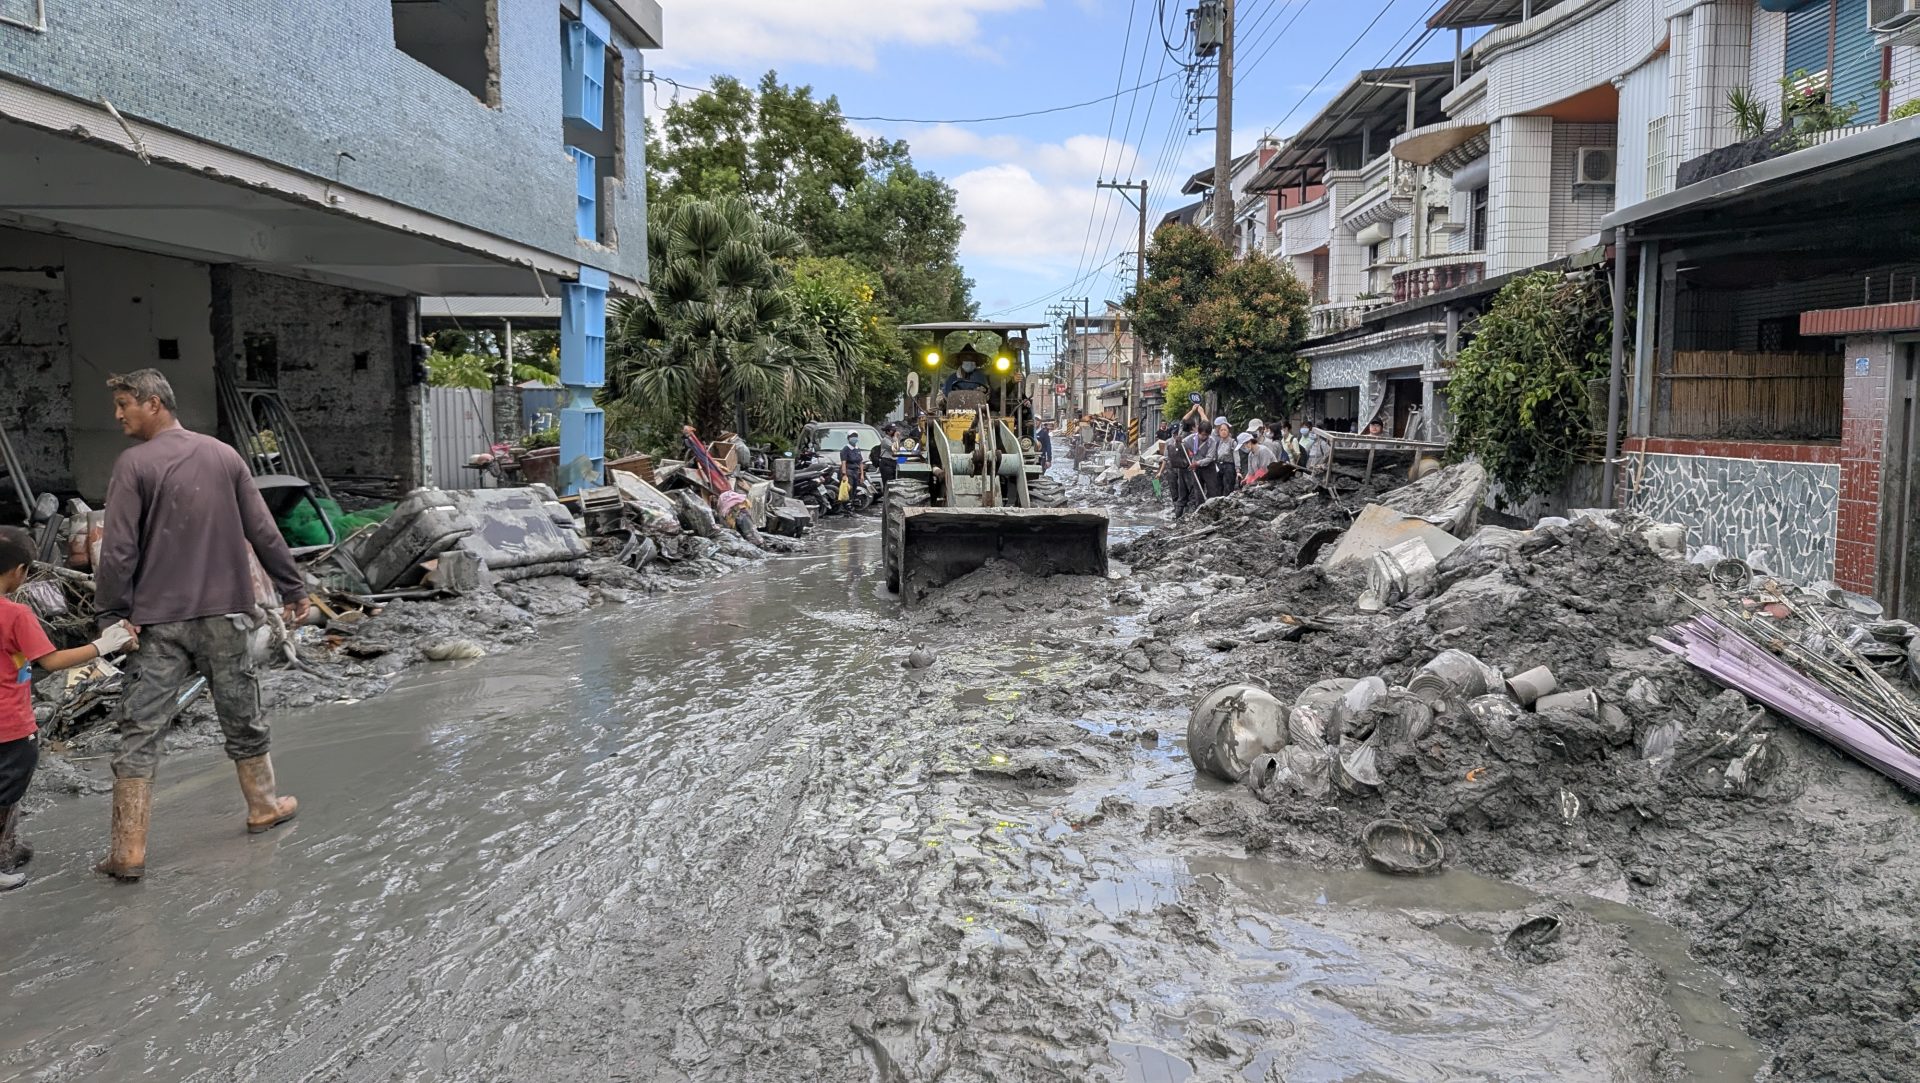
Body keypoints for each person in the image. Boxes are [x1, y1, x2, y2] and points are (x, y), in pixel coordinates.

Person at [92, 369, 309, 881]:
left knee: (141, 726)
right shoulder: (223, 455)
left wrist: (111, 614)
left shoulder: (134, 465)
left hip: (158, 622)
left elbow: (119, 549)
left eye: (124, 404)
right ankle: (263, 806)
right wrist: (293, 587)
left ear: (153, 402)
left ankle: (128, 849)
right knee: (241, 711)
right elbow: (262, 529)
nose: (119, 415)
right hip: (226, 614)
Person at [0, 529, 139, 891]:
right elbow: (52, 659)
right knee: (7, 791)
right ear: (19, 571)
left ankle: (7, 847)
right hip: (9, 726)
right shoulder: (15, 614)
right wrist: (102, 645)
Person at [871, 425, 899, 498]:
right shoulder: (885, 440)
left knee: (894, 482)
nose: (894, 432)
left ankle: (892, 497)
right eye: (893, 430)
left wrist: (895, 439)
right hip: (886, 462)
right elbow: (894, 448)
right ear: (888, 431)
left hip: (893, 462)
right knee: (888, 483)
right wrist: (896, 438)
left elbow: (898, 448)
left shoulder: (892, 439)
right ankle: (887, 498)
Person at [839, 432, 867, 501]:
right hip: (848, 471)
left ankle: (851, 503)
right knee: (849, 488)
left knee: (854, 489)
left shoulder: (857, 449)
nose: (854, 439)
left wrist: (862, 475)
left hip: (855, 472)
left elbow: (860, 462)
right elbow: (843, 463)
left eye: (856, 437)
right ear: (848, 438)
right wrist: (844, 474)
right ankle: (846, 505)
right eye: (852, 437)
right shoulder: (845, 449)